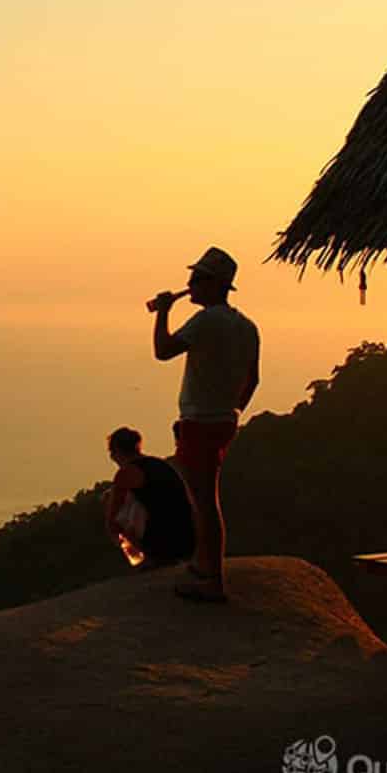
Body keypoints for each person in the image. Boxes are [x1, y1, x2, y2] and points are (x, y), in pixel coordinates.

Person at [149, 247, 260, 602]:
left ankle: (211, 577)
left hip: (200, 420)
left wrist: (163, 312)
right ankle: (203, 564)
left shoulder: (206, 321)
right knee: (204, 495)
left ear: (214, 284)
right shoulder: (247, 326)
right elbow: (253, 379)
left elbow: (163, 351)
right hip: (224, 420)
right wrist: (231, 410)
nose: (189, 283)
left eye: (197, 278)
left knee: (203, 500)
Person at [103, 427, 195, 570]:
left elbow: (111, 519)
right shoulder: (158, 464)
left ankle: (147, 557)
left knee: (118, 515)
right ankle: (153, 556)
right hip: (188, 540)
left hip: (164, 544)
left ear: (116, 451)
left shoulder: (126, 473)